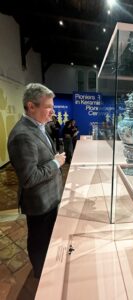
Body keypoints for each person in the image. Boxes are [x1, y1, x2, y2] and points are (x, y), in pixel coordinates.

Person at [7, 83, 66, 279]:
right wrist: (56, 164)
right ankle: (42, 277)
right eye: (48, 107)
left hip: (49, 198)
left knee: (48, 237)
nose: (52, 112)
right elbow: (29, 178)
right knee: (39, 241)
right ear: (31, 106)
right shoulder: (22, 135)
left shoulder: (39, 127)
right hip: (39, 203)